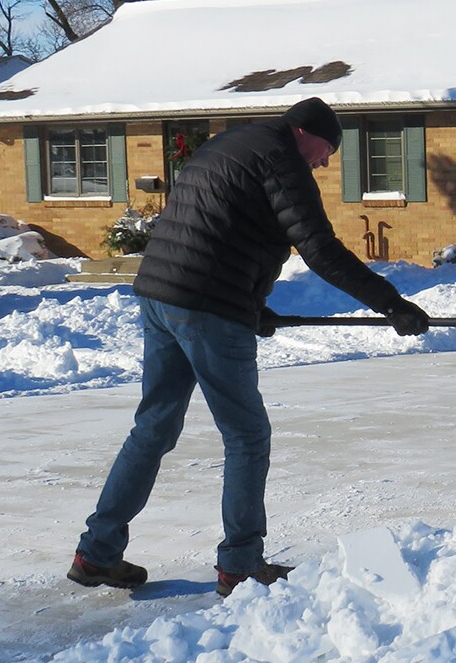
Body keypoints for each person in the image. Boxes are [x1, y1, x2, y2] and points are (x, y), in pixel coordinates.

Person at [67, 97, 430, 597]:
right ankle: (240, 564)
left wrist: (253, 306)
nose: (324, 163)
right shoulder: (282, 158)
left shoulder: (231, 144)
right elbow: (319, 248)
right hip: (205, 305)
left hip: (160, 295)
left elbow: (228, 226)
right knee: (246, 436)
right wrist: (390, 302)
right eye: (327, 150)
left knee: (152, 428)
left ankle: (96, 553)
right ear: (307, 133)